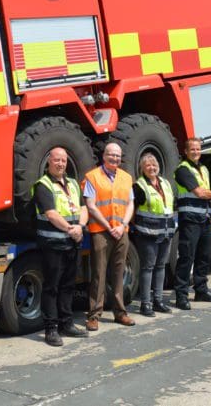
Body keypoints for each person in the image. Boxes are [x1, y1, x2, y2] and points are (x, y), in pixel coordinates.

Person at [33, 147, 89, 346]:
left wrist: (81, 226)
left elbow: (83, 207)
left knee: (68, 286)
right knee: (51, 287)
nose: (60, 164)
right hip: (53, 244)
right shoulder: (43, 185)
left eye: (63, 161)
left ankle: (67, 323)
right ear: (49, 162)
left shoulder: (73, 183)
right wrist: (70, 229)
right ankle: (51, 329)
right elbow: (51, 214)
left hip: (72, 243)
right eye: (57, 160)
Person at [82, 142, 136, 331]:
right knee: (99, 273)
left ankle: (120, 313)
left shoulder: (127, 177)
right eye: (111, 155)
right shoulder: (92, 177)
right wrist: (109, 226)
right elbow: (90, 205)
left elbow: (130, 204)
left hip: (121, 231)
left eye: (118, 156)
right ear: (104, 156)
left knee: (118, 274)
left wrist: (122, 225)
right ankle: (94, 315)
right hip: (101, 232)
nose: (114, 158)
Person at [173, 137, 211, 310]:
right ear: (186, 151)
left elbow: (205, 199)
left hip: (204, 219)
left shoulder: (203, 168)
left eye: (198, 149)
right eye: (193, 149)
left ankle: (201, 290)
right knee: (186, 258)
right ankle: (181, 296)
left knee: (204, 256)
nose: (196, 152)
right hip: (189, 220)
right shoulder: (183, 170)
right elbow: (200, 193)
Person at [131, 153, 176, 316]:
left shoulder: (165, 183)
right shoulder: (139, 186)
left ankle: (158, 300)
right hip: (147, 234)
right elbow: (132, 210)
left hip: (166, 232)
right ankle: (145, 304)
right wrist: (137, 227)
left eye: (154, 164)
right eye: (148, 165)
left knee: (161, 266)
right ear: (142, 168)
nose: (152, 167)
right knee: (147, 267)